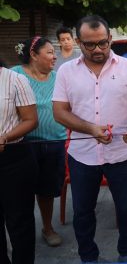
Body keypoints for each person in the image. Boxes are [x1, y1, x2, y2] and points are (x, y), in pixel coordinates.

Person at [52, 15, 127, 263]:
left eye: (103, 43)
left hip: (121, 152)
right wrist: (90, 129)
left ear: (109, 39)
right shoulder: (65, 71)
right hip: (82, 154)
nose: (98, 49)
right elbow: (59, 111)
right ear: (78, 42)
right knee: (83, 212)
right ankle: (89, 257)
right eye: (90, 45)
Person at [12, 36, 67, 247]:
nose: (55, 56)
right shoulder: (15, 75)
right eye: (50, 52)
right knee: (21, 191)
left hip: (55, 142)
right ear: (34, 55)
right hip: (24, 142)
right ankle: (21, 233)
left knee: (47, 190)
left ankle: (47, 227)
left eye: (55, 52)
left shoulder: (57, 77)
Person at [0, 60, 38, 263]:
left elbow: (31, 119)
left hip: (13, 159)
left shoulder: (14, 79)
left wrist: (5, 137)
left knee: (19, 221)